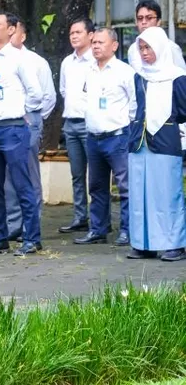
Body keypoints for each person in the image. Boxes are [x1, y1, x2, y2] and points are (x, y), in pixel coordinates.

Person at [0, 12, 43, 256]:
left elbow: (35, 93)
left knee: (22, 183)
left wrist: (22, 112)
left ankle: (32, 238)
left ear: (11, 29)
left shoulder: (18, 58)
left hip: (13, 128)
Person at [128, 27, 186, 261]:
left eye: (148, 47)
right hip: (139, 143)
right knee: (141, 194)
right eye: (141, 48)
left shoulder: (177, 77)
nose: (144, 52)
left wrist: (168, 124)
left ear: (160, 48)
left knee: (167, 194)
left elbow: (183, 111)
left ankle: (175, 243)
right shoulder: (139, 76)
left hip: (165, 141)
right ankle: (144, 243)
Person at [72, 28, 133, 246]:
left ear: (114, 46)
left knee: (126, 186)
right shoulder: (89, 70)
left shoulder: (124, 71)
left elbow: (134, 104)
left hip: (117, 137)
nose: (96, 46)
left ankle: (127, 230)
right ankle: (98, 229)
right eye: (94, 42)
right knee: (96, 186)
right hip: (93, 137)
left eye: (101, 42)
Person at [4, 20, 56, 241]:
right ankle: (13, 225)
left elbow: (49, 97)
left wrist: (34, 119)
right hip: (6, 121)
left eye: (12, 32)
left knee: (28, 171)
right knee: (9, 175)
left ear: (22, 36)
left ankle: (30, 226)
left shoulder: (35, 62)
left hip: (28, 119)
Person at [58, 17, 95, 234]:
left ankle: (100, 219)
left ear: (91, 35)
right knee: (77, 174)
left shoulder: (96, 60)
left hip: (91, 125)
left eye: (78, 32)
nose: (74, 36)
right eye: (71, 33)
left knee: (97, 176)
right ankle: (80, 217)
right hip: (70, 124)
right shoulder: (66, 62)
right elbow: (64, 91)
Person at [127, 0, 186, 73]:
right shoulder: (133, 49)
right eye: (140, 18)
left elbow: (181, 77)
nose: (144, 22)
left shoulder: (171, 48)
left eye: (149, 18)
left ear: (158, 22)